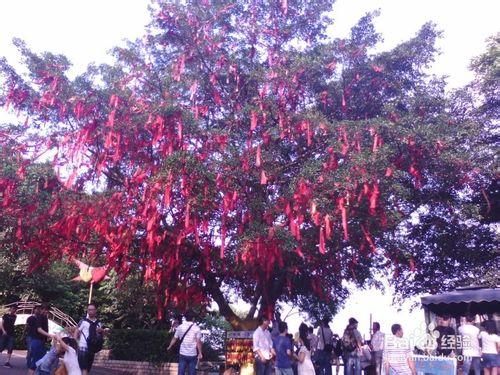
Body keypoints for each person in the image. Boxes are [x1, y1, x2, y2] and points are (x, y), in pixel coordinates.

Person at [167, 310, 203, 375]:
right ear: (193, 318)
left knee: (181, 372)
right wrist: (200, 353)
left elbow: (174, 338)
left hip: (182, 353)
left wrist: (169, 346)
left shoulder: (180, 327)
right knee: (192, 373)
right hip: (192, 354)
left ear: (186, 318)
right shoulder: (197, 328)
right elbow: (198, 342)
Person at [77, 303, 105, 375]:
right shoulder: (83, 321)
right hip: (82, 347)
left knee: (87, 369)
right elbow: (76, 331)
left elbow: (102, 336)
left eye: (92, 310)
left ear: (95, 311)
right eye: (89, 310)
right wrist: (74, 343)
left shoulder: (99, 323)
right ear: (87, 311)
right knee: (83, 368)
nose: (90, 312)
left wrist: (102, 331)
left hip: (92, 349)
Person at [28, 302, 53, 375]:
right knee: (35, 362)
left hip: (42, 342)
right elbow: (39, 329)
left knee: (41, 362)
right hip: (37, 342)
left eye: (47, 310)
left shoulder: (44, 318)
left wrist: (47, 337)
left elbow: (43, 330)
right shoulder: (39, 317)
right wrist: (49, 335)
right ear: (41, 310)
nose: (46, 311)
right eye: (44, 309)